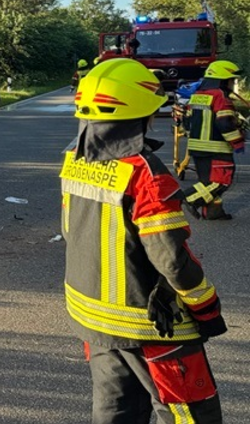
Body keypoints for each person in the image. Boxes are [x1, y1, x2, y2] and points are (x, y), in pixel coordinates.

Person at [65, 58, 226, 423]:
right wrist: (206, 307)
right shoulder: (147, 175)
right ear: (142, 114)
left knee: (115, 409)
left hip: (93, 317)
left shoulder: (74, 159)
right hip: (151, 324)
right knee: (190, 412)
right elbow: (171, 259)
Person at [183, 60, 245, 220]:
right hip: (216, 148)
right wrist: (237, 142)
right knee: (221, 181)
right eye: (232, 80)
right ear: (223, 80)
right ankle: (189, 198)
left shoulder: (197, 95)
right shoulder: (220, 96)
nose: (233, 83)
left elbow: (187, 121)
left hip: (197, 147)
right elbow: (224, 123)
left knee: (207, 181)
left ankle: (213, 212)